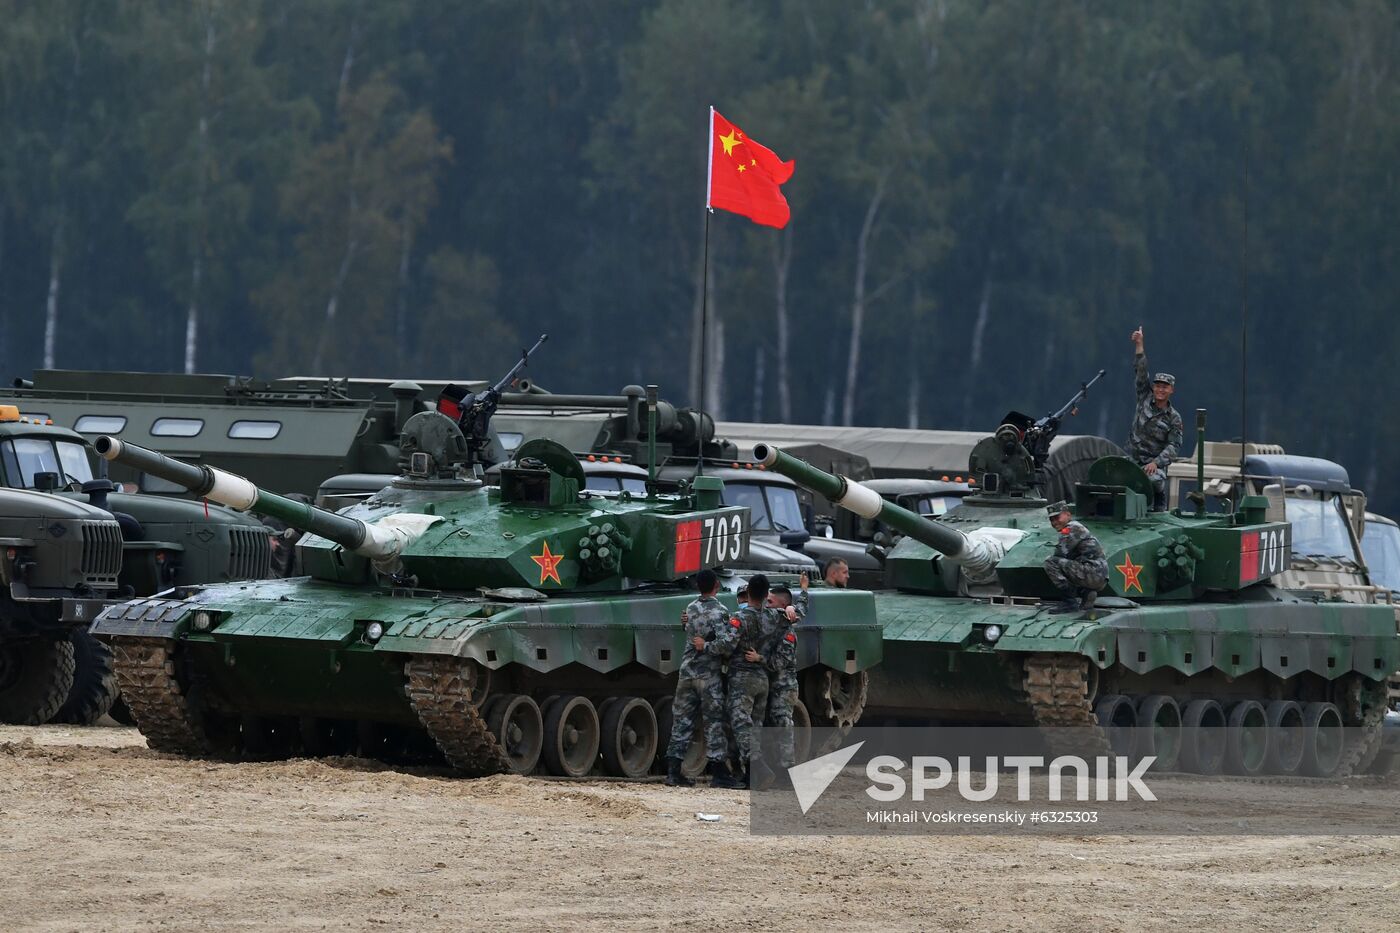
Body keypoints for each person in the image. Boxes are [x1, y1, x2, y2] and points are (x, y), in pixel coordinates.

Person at [665, 569, 742, 788]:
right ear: (717, 585)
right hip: (709, 676)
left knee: (681, 722)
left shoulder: (690, 608)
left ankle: (673, 772)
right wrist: (709, 646)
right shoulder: (721, 611)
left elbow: (689, 630)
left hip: (687, 673)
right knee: (713, 723)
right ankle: (719, 773)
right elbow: (725, 645)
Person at [727, 573, 785, 788]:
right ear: (766, 595)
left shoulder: (740, 618)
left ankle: (759, 766)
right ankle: (752, 776)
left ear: (748, 592)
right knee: (756, 727)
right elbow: (793, 617)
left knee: (741, 724)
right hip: (763, 677)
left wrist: (704, 645)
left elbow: (726, 645)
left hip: (742, 678)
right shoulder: (773, 617)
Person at [1129, 326, 1184, 511]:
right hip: (1133, 459)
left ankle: (1158, 504)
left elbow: (1173, 447)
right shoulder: (1144, 397)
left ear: (1171, 390)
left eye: (1165, 387)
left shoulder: (1174, 418)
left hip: (1153, 465)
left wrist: (1156, 463)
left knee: (1152, 481)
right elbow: (1141, 371)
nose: (1160, 390)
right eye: (1158, 386)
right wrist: (1139, 345)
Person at [763, 573, 808, 776]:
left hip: (784, 685)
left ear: (781, 605)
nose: (766, 603)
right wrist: (804, 590)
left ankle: (787, 769)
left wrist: (758, 659)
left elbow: (778, 663)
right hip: (770, 684)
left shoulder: (787, 631)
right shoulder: (774, 619)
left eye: (770, 601)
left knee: (782, 723)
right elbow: (801, 608)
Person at [1043, 501, 1108, 614]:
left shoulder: (1071, 528)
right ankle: (1086, 592)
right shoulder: (1076, 527)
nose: (1054, 522)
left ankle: (1069, 602)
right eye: (1051, 520)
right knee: (1068, 563)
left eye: (1057, 517)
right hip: (1098, 575)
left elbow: (1060, 554)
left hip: (1092, 573)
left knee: (1051, 562)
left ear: (1068, 514)